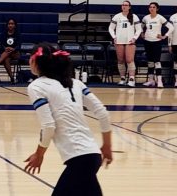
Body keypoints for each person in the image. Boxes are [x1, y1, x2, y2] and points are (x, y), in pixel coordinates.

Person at [24, 42, 113, 196]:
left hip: (79, 158)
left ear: (34, 61)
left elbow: (49, 126)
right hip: (92, 155)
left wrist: (39, 155)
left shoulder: (36, 86)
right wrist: (107, 146)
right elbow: (103, 113)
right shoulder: (76, 83)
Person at [108, 0, 142, 87]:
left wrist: (134, 38)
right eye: (123, 5)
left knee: (129, 60)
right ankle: (122, 78)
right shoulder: (117, 16)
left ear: (129, 7)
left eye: (126, 5)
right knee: (120, 60)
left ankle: (131, 79)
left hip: (130, 41)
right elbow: (111, 28)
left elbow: (139, 29)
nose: (124, 6)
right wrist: (114, 37)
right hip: (119, 41)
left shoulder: (134, 17)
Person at [141, 2, 173, 88]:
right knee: (150, 61)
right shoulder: (145, 18)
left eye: (154, 7)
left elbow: (171, 27)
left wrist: (164, 36)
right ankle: (151, 80)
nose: (152, 9)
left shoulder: (160, 18)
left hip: (156, 42)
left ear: (157, 9)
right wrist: (142, 33)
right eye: (150, 7)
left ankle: (159, 81)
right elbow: (140, 26)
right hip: (147, 41)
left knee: (157, 61)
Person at [0, 18, 21, 83]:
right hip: (6, 54)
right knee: (6, 60)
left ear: (15, 25)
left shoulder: (17, 34)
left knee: (8, 52)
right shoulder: (4, 34)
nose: (10, 25)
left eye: (12, 24)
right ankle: (12, 79)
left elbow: (19, 46)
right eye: (9, 24)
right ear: (7, 25)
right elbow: (1, 44)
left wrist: (13, 49)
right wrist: (5, 48)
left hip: (15, 53)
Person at [169, 10, 177, 87]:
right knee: (176, 63)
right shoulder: (173, 17)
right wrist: (169, 44)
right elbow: (170, 32)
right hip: (175, 43)